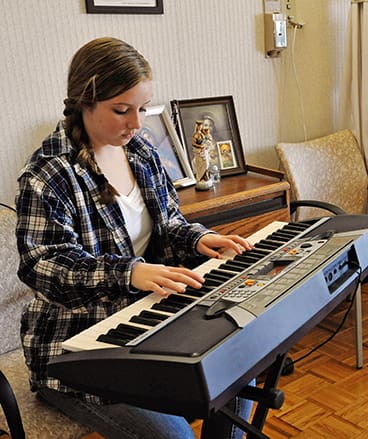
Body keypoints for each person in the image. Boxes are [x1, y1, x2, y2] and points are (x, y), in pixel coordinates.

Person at [15, 37, 254, 439]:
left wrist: (199, 240)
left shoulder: (141, 151)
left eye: (142, 109)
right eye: (122, 110)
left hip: (151, 325)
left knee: (239, 373)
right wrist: (130, 273)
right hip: (77, 351)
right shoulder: (49, 175)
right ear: (83, 103)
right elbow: (44, 267)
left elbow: (170, 224)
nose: (137, 123)